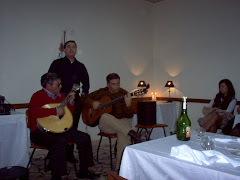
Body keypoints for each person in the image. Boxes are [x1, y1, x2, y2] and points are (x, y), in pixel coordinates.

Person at [28, 73, 99, 180]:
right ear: (48, 85)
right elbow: (33, 112)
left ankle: (84, 171)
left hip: (60, 129)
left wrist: (70, 103)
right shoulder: (37, 96)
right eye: (58, 84)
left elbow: (68, 115)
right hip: (40, 132)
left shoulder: (61, 96)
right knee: (59, 142)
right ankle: (58, 176)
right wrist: (55, 111)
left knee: (84, 138)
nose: (61, 86)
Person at [83, 73, 142, 171]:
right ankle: (132, 133)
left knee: (123, 135)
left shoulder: (124, 94)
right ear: (108, 84)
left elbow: (129, 115)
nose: (116, 86)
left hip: (123, 122)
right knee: (105, 116)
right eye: (113, 84)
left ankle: (121, 169)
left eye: (118, 83)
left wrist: (128, 105)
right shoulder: (101, 92)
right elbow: (84, 98)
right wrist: (92, 103)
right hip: (107, 124)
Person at [48, 40, 90, 162]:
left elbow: (85, 84)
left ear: (76, 50)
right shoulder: (57, 63)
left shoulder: (80, 66)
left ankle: (69, 154)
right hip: (59, 100)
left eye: (74, 47)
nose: (71, 49)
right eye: (69, 47)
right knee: (57, 128)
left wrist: (80, 96)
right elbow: (50, 82)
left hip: (74, 101)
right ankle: (53, 156)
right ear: (64, 50)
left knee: (73, 127)